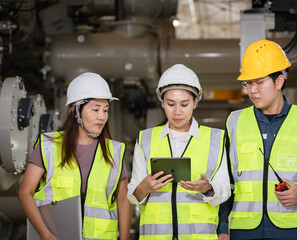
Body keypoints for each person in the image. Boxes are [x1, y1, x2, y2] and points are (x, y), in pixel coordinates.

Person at [217, 40, 297, 240]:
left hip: (291, 231)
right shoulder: (234, 122)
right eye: (248, 83)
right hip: (244, 232)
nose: (252, 90)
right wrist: (222, 226)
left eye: (259, 82)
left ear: (279, 81)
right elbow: (227, 181)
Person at [18, 72, 131, 240]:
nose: (102, 116)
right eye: (95, 109)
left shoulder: (114, 151)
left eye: (106, 110)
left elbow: (123, 200)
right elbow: (25, 192)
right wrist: (44, 233)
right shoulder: (49, 146)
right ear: (76, 111)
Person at [127, 64, 231, 240]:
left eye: (184, 104)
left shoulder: (216, 139)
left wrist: (207, 188)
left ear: (195, 102)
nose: (177, 112)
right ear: (162, 103)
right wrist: (145, 186)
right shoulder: (145, 139)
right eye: (170, 104)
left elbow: (225, 190)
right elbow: (133, 195)